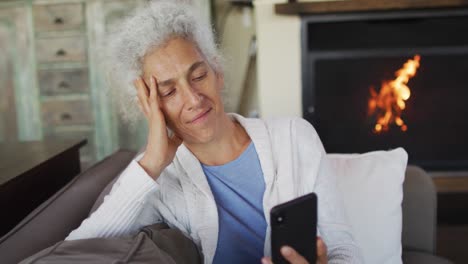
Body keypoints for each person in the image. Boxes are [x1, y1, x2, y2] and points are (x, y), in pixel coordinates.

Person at [66, 1, 363, 263]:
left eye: (198, 75)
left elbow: (344, 249)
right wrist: (153, 161)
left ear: (217, 72)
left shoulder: (294, 137)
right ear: (147, 106)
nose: (194, 99)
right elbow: (75, 251)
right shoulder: (159, 179)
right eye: (169, 92)